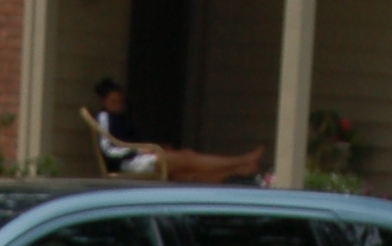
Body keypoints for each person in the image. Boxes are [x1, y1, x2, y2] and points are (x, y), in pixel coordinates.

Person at [93, 78, 265, 185]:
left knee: (188, 174)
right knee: (188, 157)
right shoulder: (103, 117)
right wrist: (140, 150)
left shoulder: (122, 118)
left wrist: (156, 147)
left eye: (120, 101)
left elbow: (136, 142)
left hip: (141, 156)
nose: (118, 105)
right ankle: (242, 160)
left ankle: (237, 171)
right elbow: (108, 149)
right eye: (113, 101)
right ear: (103, 101)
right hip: (128, 163)